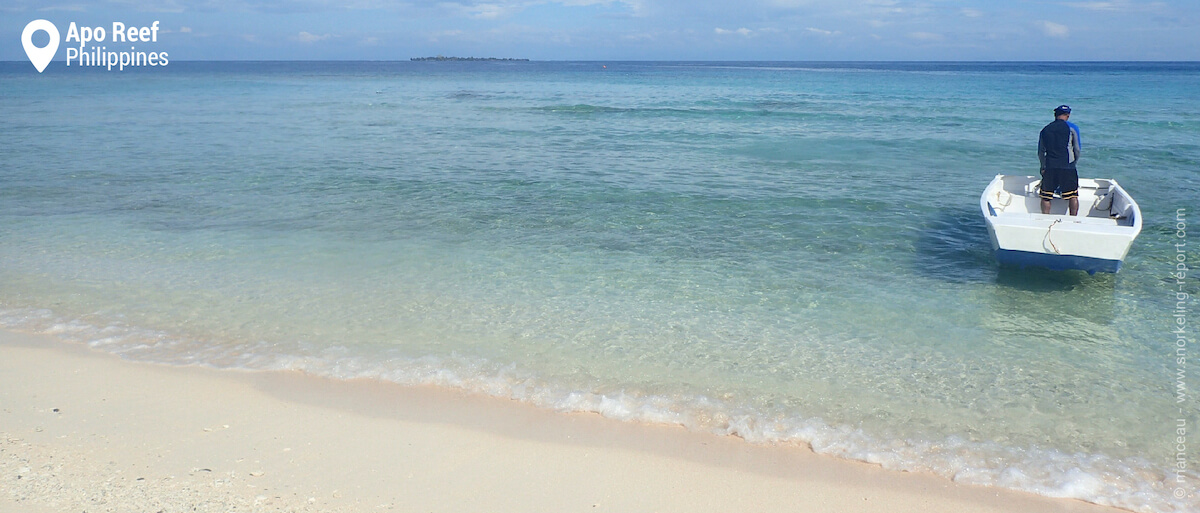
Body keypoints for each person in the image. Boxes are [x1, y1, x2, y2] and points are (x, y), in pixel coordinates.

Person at [1037, 104, 1082, 215]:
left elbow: (1041, 151)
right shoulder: (1072, 128)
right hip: (1067, 166)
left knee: (1046, 196)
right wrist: (1073, 163)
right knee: (1072, 196)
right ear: (1068, 115)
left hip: (1050, 166)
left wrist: (1043, 166)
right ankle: (1073, 218)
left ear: (1055, 115)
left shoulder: (1045, 129)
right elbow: (1077, 149)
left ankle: (1045, 217)